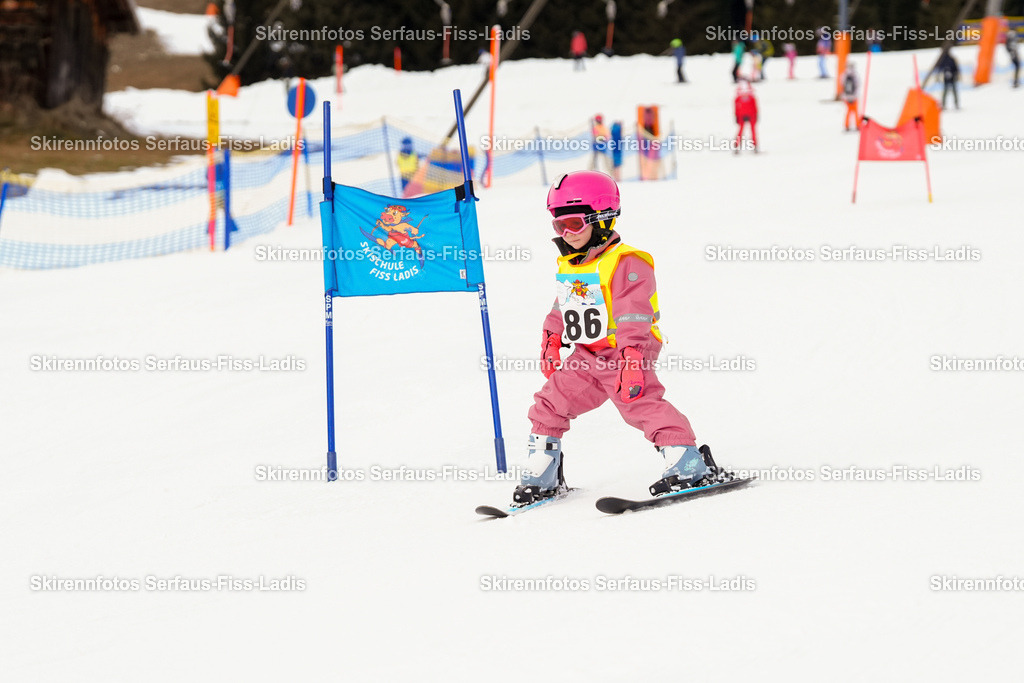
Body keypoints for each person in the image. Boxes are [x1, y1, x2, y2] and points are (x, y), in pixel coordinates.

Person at [511, 170, 720, 506]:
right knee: (549, 403)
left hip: (625, 354)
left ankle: (687, 463)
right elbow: (565, 305)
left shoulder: (626, 262)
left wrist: (633, 359)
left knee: (639, 403)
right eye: (558, 225)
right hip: (586, 355)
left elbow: (633, 314)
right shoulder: (572, 264)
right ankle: (543, 472)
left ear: (602, 218)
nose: (567, 233)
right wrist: (551, 337)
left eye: (575, 224)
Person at [734, 80, 758, 153]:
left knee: (741, 131)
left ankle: (737, 146)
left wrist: (737, 116)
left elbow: (736, 108)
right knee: (752, 130)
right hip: (750, 115)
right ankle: (754, 146)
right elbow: (755, 107)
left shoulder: (738, 98)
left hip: (742, 115)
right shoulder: (751, 97)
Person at [841, 62, 859, 131]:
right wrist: (855, 95)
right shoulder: (855, 75)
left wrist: (844, 96)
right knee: (855, 111)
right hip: (854, 96)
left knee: (848, 111)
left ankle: (847, 125)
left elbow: (842, 85)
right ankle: (857, 125)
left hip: (846, 97)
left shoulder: (844, 75)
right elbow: (857, 85)